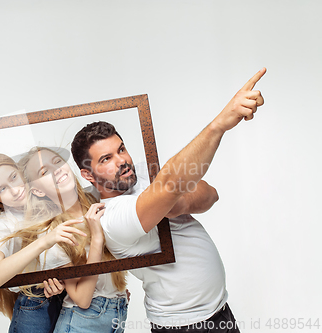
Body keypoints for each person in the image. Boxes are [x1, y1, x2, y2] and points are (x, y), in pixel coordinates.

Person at [71, 68, 267, 332]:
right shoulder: (109, 217)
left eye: (121, 149)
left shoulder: (140, 171)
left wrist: (180, 203)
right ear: (87, 174)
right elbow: (174, 182)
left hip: (220, 310)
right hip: (182, 325)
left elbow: (210, 194)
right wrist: (220, 124)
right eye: (106, 159)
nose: (122, 161)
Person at [0, 147, 129, 333]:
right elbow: (83, 299)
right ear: (36, 190)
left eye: (57, 162)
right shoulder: (52, 233)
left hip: (113, 314)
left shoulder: (96, 198)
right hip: (72, 318)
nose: (57, 170)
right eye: (44, 172)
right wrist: (96, 240)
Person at [0, 152, 69, 333]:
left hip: (73, 298)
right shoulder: (3, 224)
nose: (15, 190)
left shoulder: (51, 198)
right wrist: (43, 242)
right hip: (35, 306)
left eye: (14, 177)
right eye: (2, 189)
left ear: (21, 171)